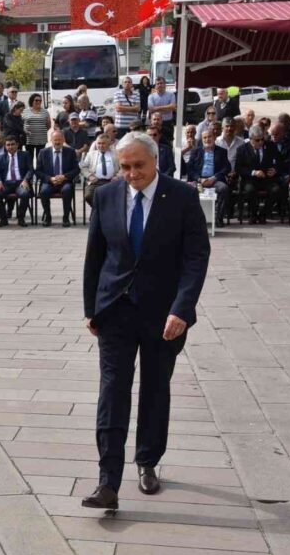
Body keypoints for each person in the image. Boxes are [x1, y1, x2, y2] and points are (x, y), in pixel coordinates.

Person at [81, 131, 210, 510]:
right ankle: (107, 481)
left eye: (139, 165)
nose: (132, 173)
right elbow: (95, 255)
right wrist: (91, 308)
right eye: (125, 167)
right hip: (115, 309)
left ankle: (147, 460)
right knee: (112, 391)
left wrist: (181, 309)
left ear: (156, 161)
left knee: (155, 388)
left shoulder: (182, 197)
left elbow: (196, 257)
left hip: (163, 314)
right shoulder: (106, 195)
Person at [236, 125, 281, 224]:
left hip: (267, 178)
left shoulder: (271, 146)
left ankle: (263, 214)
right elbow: (239, 168)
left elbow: (280, 161)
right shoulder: (242, 149)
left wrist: (275, 170)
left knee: (276, 190)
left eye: (262, 139)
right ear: (251, 139)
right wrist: (254, 172)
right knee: (250, 190)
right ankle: (253, 214)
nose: (260, 142)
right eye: (257, 140)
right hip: (250, 179)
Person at [35, 129, 79, 227]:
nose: (57, 142)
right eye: (55, 140)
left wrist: (64, 177)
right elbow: (38, 171)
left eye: (59, 139)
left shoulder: (70, 152)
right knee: (44, 191)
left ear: (63, 140)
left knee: (67, 190)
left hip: (65, 181)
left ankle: (66, 217)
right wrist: (50, 179)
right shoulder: (43, 152)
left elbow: (76, 169)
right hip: (49, 182)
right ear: (51, 140)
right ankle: (48, 216)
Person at [187, 129, 231, 226]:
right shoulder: (196, 151)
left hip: (214, 180)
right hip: (199, 181)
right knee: (189, 190)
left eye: (209, 137)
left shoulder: (222, 151)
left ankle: (218, 218)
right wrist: (199, 179)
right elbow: (189, 168)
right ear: (202, 139)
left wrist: (214, 178)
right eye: (205, 138)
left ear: (214, 137)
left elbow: (227, 167)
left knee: (224, 188)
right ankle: (192, 219)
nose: (207, 140)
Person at [0, 135, 32, 226]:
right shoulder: (2, 157)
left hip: (20, 183)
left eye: (12, 144)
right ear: (5, 146)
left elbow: (30, 170)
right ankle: (3, 219)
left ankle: (21, 218)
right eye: (8, 145)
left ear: (17, 145)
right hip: (6, 184)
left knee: (25, 194)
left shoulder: (25, 155)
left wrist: (25, 180)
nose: (10, 147)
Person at [81, 133, 117, 207]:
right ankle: (99, 210)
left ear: (109, 144)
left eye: (103, 143)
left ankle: (101, 211)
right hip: (95, 182)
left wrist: (117, 176)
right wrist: (89, 176)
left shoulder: (116, 154)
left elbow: (122, 168)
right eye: (99, 143)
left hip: (111, 182)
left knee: (115, 197)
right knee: (88, 196)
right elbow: (83, 167)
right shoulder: (91, 154)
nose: (101, 145)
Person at [24, 93, 52, 164]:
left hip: (41, 139)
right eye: (36, 100)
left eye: (40, 100)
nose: (38, 102)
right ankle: (30, 170)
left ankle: (39, 170)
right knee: (29, 158)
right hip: (29, 139)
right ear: (32, 101)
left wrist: (40, 130)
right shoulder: (25, 111)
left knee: (40, 158)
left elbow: (48, 125)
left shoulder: (45, 112)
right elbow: (21, 123)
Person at [147, 77, 176, 145]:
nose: (159, 85)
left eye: (161, 83)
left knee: (168, 144)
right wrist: (167, 107)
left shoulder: (171, 95)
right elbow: (151, 109)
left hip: (167, 123)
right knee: (153, 144)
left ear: (165, 84)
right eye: (158, 83)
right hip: (155, 124)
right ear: (155, 85)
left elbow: (172, 107)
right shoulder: (151, 96)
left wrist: (156, 108)